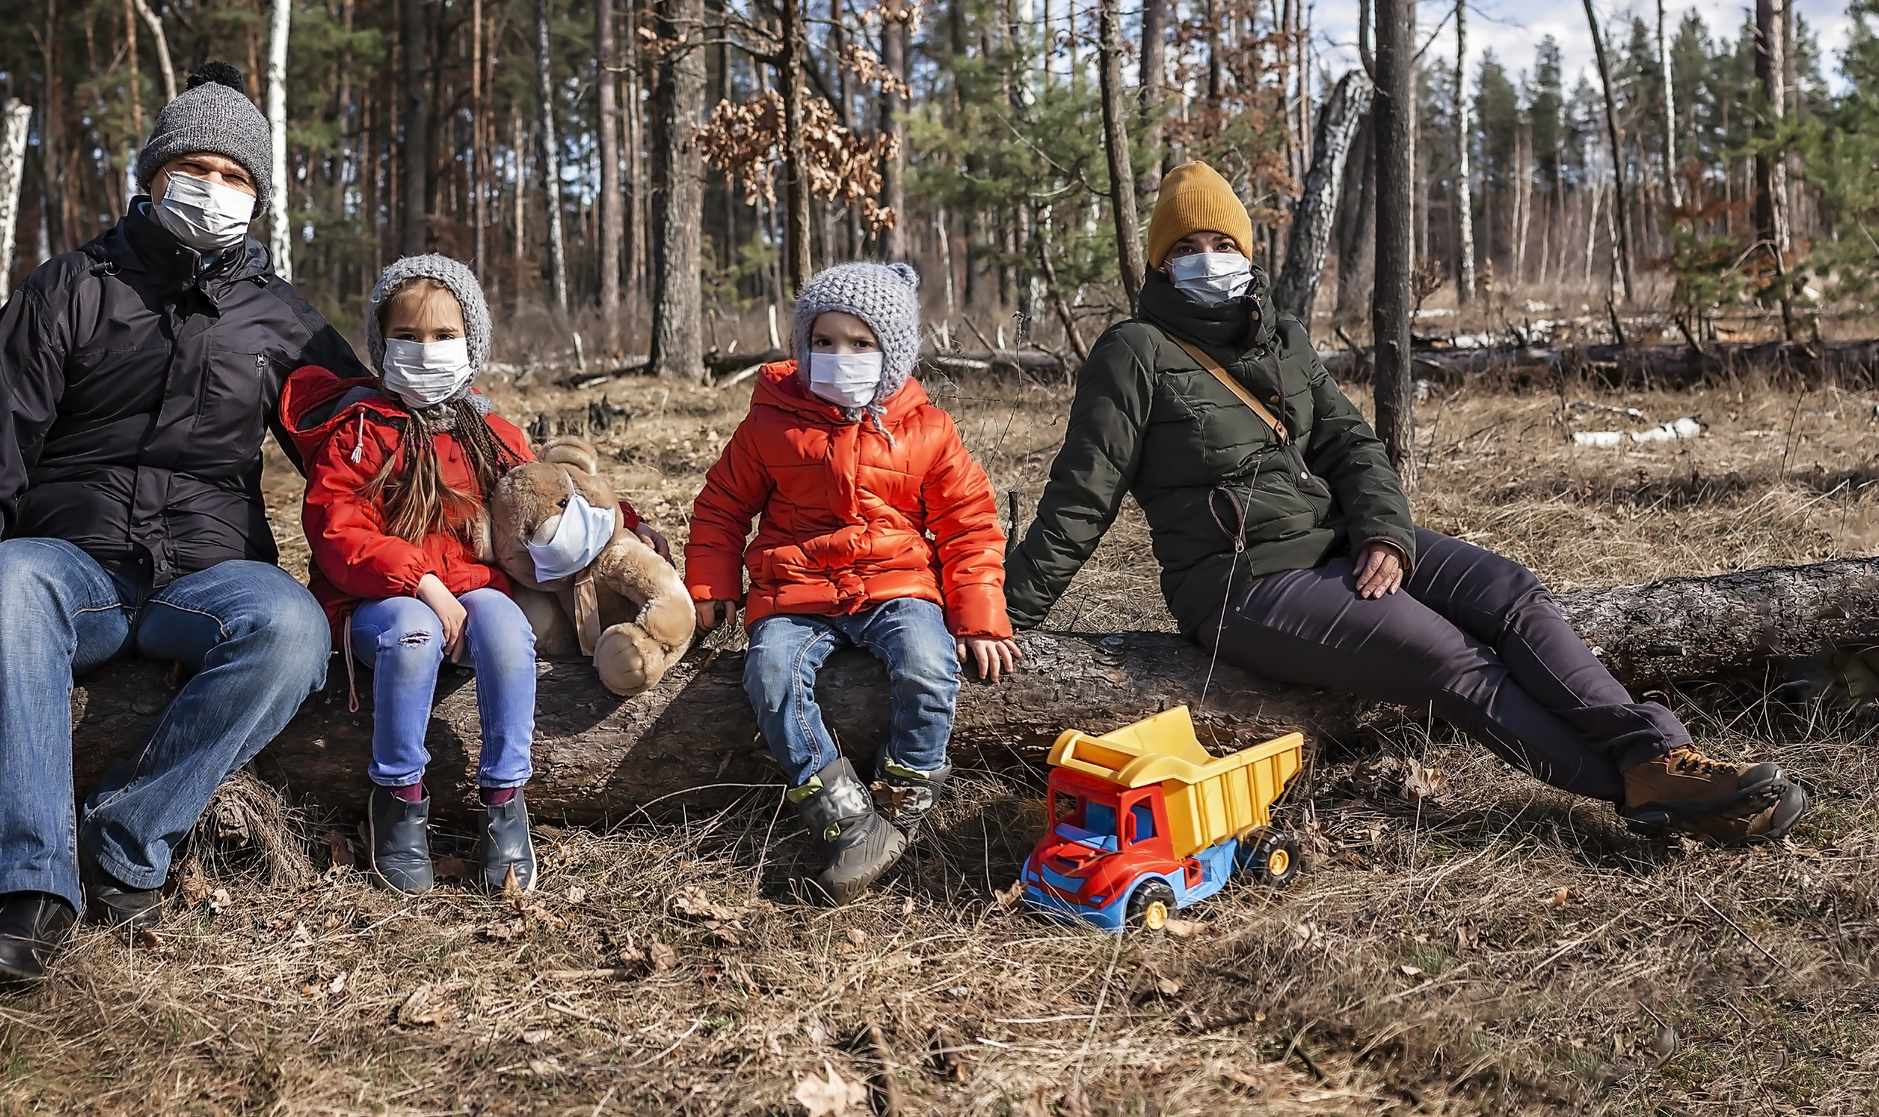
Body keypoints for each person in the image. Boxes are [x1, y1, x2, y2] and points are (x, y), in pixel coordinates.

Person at [1003, 161, 1808, 844]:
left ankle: (1659, 758)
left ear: (1247, 252)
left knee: (1509, 592)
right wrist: (1000, 616)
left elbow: (1351, 445)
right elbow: (1082, 495)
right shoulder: (1132, 352)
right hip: (1243, 585)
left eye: (1222, 244)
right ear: (1157, 265)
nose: (1207, 259)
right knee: (1448, 659)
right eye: (1186, 248)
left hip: (1338, 541)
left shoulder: (1277, 338)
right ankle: (1633, 792)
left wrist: (1383, 531)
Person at [0, 63, 367, 985]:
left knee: (289, 627)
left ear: (260, 197)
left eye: (236, 175)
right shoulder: (67, 291)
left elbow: (367, 453)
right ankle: (26, 895)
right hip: (74, 568)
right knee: (8, 579)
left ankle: (123, 842)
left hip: (206, 575)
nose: (213, 189)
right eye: (193, 167)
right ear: (151, 176)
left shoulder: (283, 322)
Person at [687, 262, 1021, 905]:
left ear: (891, 354)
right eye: (824, 342)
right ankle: (844, 815)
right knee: (772, 675)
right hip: (795, 588)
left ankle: (904, 804)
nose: (839, 356)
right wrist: (711, 586)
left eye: (860, 344)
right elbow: (722, 506)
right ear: (801, 346)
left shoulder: (927, 430)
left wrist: (979, 615)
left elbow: (969, 524)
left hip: (896, 584)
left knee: (928, 663)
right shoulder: (770, 423)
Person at [279, 255, 545, 894]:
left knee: (511, 637)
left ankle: (505, 799)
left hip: (473, 592)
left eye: (443, 336)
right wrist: (424, 584)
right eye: (408, 337)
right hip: (377, 603)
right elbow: (340, 533)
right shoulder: (360, 433)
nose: (426, 352)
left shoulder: (493, 435)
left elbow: (545, 496)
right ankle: (398, 798)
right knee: (413, 633)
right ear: (380, 345)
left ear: (471, 343)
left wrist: (621, 524)